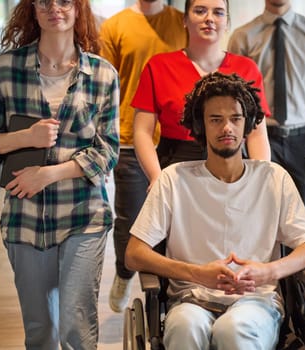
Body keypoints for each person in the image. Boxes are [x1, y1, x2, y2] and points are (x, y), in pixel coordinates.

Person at [125, 72, 305, 350]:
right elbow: (134, 254)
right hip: (190, 299)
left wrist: (268, 271)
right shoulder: (174, 180)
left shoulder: (273, 178)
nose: (226, 127)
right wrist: (195, 273)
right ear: (201, 126)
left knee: (234, 330)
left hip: (256, 301)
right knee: (184, 328)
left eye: (235, 118)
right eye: (215, 119)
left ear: (248, 123)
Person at [0, 0, 119, 348]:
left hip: (84, 214)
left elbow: (108, 150)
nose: (54, 8)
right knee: (40, 330)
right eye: (44, 1)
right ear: (31, 9)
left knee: (77, 327)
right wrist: (25, 138)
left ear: (78, 9)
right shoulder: (5, 69)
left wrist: (48, 174)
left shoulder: (103, 74)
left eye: (64, 1)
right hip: (24, 218)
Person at [99, 0, 187, 313]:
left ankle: (171, 294)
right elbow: (103, 88)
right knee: (130, 219)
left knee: (178, 225)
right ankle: (125, 272)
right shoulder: (115, 26)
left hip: (178, 140)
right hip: (129, 139)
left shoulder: (183, 21)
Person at [131, 0, 271, 190]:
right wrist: (156, 177)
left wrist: (260, 177)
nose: (209, 19)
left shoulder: (246, 69)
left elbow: (256, 134)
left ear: (227, 22)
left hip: (233, 168)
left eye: (218, 13)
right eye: (200, 11)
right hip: (175, 168)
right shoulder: (158, 66)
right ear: (185, 20)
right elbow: (142, 132)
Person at [227, 0, 305, 214]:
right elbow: (233, 95)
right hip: (258, 137)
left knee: (299, 215)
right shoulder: (243, 36)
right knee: (259, 211)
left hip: (301, 138)